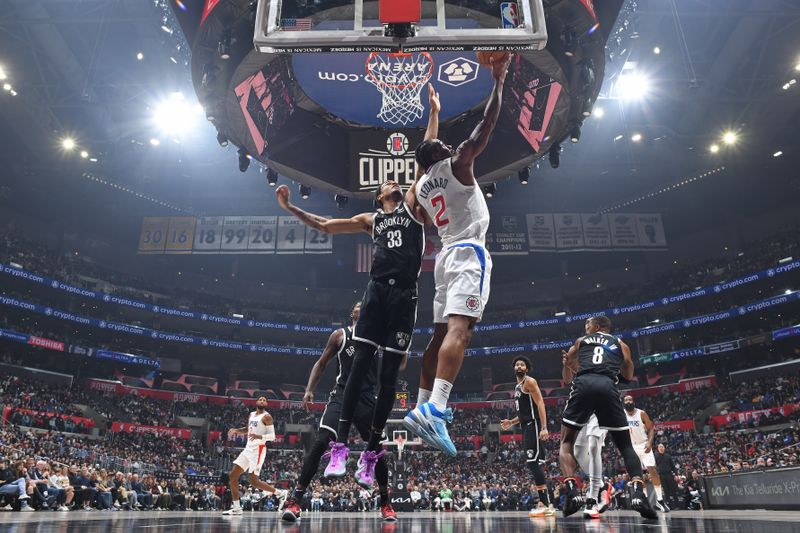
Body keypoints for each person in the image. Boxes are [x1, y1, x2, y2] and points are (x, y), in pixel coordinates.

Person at [276, 85, 438, 487]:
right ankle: (340, 447)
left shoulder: (414, 204)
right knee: (360, 363)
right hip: (377, 291)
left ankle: (371, 451)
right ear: (378, 194)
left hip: (407, 294)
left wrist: (433, 111)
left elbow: (428, 157)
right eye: (385, 182)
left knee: (388, 378)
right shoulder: (371, 219)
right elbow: (325, 225)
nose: (391, 182)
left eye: (393, 180)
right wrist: (290, 207)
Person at [404, 54, 513, 456]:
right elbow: (484, 129)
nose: (453, 147)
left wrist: (431, 114)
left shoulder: (419, 190)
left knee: (437, 335)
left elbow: (424, 155)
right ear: (443, 155)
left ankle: (419, 406)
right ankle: (437, 407)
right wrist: (497, 83)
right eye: (446, 147)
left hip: (443, 260)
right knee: (460, 332)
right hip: (468, 252)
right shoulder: (458, 164)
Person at [281, 302, 395, 522]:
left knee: (378, 450)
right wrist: (309, 390)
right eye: (357, 305)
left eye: (365, 304)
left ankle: (385, 503)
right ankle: (295, 501)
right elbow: (321, 363)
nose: (361, 306)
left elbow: (397, 362)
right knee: (321, 441)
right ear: (351, 312)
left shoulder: (378, 337)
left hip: (367, 397)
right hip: (342, 394)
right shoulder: (340, 335)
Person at [559, 316, 657, 519]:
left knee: (568, 441)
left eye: (589, 324)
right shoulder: (620, 344)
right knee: (625, 446)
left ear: (599, 327)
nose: (586, 327)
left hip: (584, 387)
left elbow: (568, 379)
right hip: (607, 388)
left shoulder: (580, 342)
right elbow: (629, 375)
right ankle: (638, 492)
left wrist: (568, 363)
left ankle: (576, 490)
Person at [499, 356, 555, 517]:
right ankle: (546, 503)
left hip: (534, 425)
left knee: (532, 463)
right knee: (535, 464)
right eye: (517, 364)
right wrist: (511, 421)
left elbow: (540, 404)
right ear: (514, 368)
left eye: (522, 364)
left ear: (527, 369)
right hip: (526, 425)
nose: (519, 366)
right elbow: (524, 413)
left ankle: (544, 504)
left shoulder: (529, 382)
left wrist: (544, 427)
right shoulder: (517, 387)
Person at [222, 396, 287, 515]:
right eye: (260, 399)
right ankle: (236, 508)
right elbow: (248, 429)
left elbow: (272, 436)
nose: (262, 401)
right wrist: (237, 430)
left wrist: (259, 437)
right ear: (256, 402)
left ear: (266, 403)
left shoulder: (267, 417)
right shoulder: (251, 414)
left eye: (264, 400)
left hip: (258, 450)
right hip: (248, 448)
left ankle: (280, 493)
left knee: (253, 481)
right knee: (232, 476)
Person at [624, 395, 669, 512]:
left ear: (633, 401)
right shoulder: (621, 415)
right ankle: (645, 501)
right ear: (624, 402)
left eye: (630, 399)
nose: (628, 401)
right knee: (638, 475)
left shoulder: (641, 413)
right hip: (631, 447)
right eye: (626, 400)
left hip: (644, 445)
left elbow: (651, 428)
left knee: (653, 471)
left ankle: (660, 500)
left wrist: (649, 443)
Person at [573, 414, 610, 518]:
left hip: (599, 407)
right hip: (581, 408)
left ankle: (592, 500)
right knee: (578, 452)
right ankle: (602, 486)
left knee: (594, 447)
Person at [655, 443, 680, 508]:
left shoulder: (668, 456)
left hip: (669, 474)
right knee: (666, 491)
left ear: (664, 448)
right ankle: (669, 505)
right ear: (658, 449)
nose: (661, 448)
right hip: (661, 475)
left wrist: (676, 474)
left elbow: (673, 466)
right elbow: (654, 466)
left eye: (662, 447)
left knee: (673, 490)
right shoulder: (655, 456)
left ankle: (677, 505)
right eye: (660, 447)